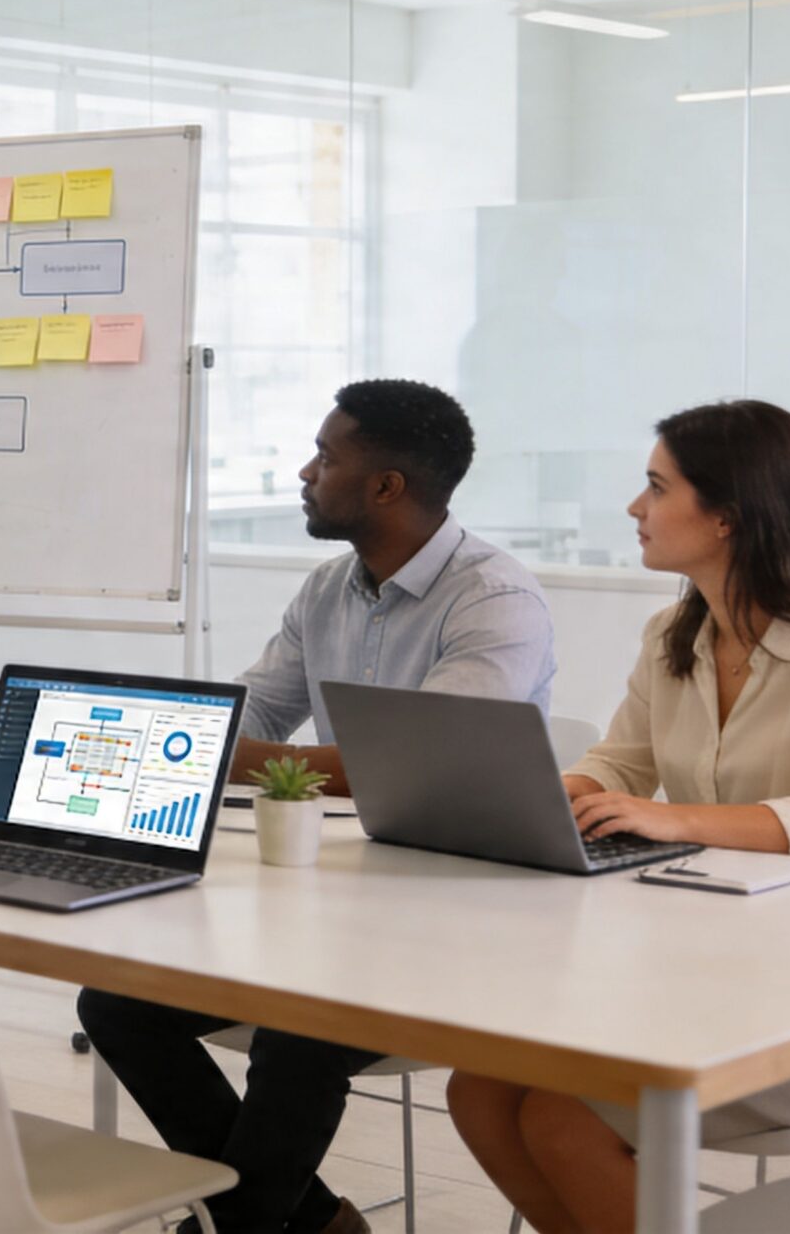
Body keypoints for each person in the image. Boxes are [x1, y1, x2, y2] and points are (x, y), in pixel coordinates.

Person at [76, 378, 556, 1234]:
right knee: (116, 1001)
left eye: (327, 457)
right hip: (335, 906)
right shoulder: (329, 588)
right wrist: (159, 736)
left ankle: (255, 1226)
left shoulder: (497, 602)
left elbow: (411, 772)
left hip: (466, 925)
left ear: (386, 487)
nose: (305, 472)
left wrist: (204, 746)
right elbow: (248, 716)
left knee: (300, 1026)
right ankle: (307, 1224)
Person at [449, 400, 790, 1234]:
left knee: (562, 1117)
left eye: (656, 486)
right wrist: (529, 790)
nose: (636, 508)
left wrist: (680, 820)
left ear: (728, 517)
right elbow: (620, 765)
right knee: (479, 1090)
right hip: (702, 981)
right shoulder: (674, 631)